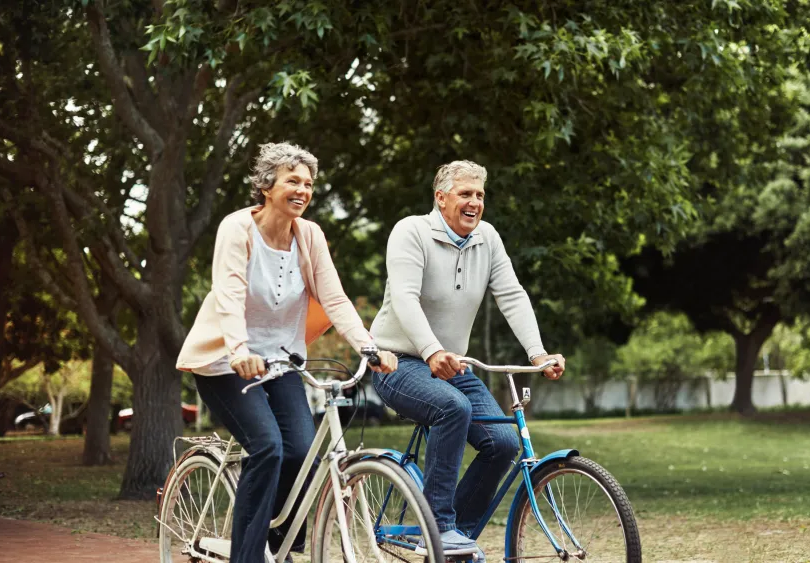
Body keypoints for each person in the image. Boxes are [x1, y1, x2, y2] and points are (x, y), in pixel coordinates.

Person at [176, 142, 397, 563]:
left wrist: (370, 348)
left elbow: (335, 299)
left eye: (309, 183)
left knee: (301, 450)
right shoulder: (237, 228)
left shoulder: (309, 235)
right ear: (266, 186)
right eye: (292, 181)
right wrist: (238, 349)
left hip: (280, 363)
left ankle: (280, 542)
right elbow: (228, 294)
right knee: (267, 447)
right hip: (226, 363)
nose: (302, 190)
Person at [370, 160, 566, 558]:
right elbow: (405, 298)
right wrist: (432, 351)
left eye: (479, 194)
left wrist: (538, 353)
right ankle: (438, 527)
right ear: (441, 198)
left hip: (451, 364)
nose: (474, 202)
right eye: (465, 194)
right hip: (396, 362)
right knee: (452, 407)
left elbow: (511, 294)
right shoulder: (411, 232)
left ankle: (456, 537)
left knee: (504, 441)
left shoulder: (487, 238)